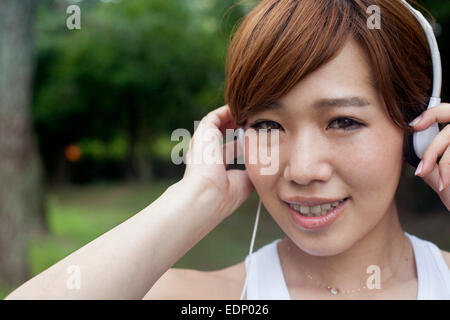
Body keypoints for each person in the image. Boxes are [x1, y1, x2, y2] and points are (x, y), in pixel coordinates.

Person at [5, 0, 450, 300]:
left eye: (343, 121)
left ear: (418, 131)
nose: (301, 169)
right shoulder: (208, 299)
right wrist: (196, 198)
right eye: (268, 124)